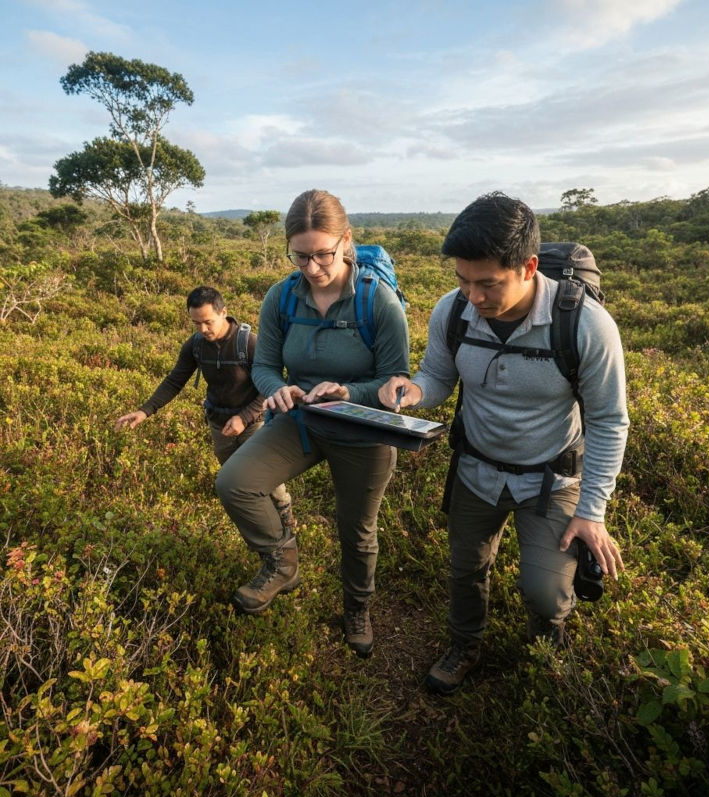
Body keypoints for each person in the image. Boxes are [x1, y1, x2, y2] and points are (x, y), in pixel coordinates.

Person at [377, 192, 629, 693]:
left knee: (544, 592)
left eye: (488, 283)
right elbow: (438, 375)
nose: (473, 296)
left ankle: (545, 656)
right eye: (462, 280)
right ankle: (464, 645)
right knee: (465, 569)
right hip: (476, 470)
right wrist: (412, 389)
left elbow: (608, 420)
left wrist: (592, 510)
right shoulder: (453, 311)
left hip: (551, 480)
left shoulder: (584, 324)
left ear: (529, 266)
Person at [215, 189, 410, 658]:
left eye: (322, 254)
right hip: (300, 422)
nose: (312, 267)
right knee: (235, 482)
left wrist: (350, 392)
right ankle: (282, 563)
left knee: (357, 530)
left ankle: (357, 607)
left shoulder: (377, 301)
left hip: (363, 430)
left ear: (346, 241)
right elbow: (264, 365)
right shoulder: (281, 297)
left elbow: (394, 379)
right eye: (299, 256)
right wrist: (277, 388)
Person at [114, 286, 293, 525]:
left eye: (208, 322)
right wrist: (144, 411)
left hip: (254, 424)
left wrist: (244, 417)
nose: (203, 329)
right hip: (218, 423)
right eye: (196, 323)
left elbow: (270, 385)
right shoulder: (196, 345)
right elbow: (174, 380)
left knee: (266, 478)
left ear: (224, 312)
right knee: (234, 482)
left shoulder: (248, 343)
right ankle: (262, 529)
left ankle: (285, 520)